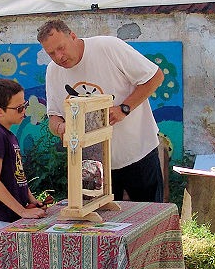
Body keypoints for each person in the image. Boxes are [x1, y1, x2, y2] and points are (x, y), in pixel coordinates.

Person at [38, 19, 166, 202]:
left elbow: (155, 76)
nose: (59, 56)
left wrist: (124, 108)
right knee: (101, 224)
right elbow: (54, 117)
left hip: (137, 153)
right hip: (93, 165)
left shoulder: (107, 47)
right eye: (51, 53)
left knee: (148, 218)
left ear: (73, 36)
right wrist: (61, 128)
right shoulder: (53, 71)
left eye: (61, 48)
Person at [0, 78, 45, 243]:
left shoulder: (9, 134)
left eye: (24, 106)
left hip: (12, 213)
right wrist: (22, 212)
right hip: (0, 215)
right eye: (19, 108)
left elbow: (19, 174)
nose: (24, 111)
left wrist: (31, 200)